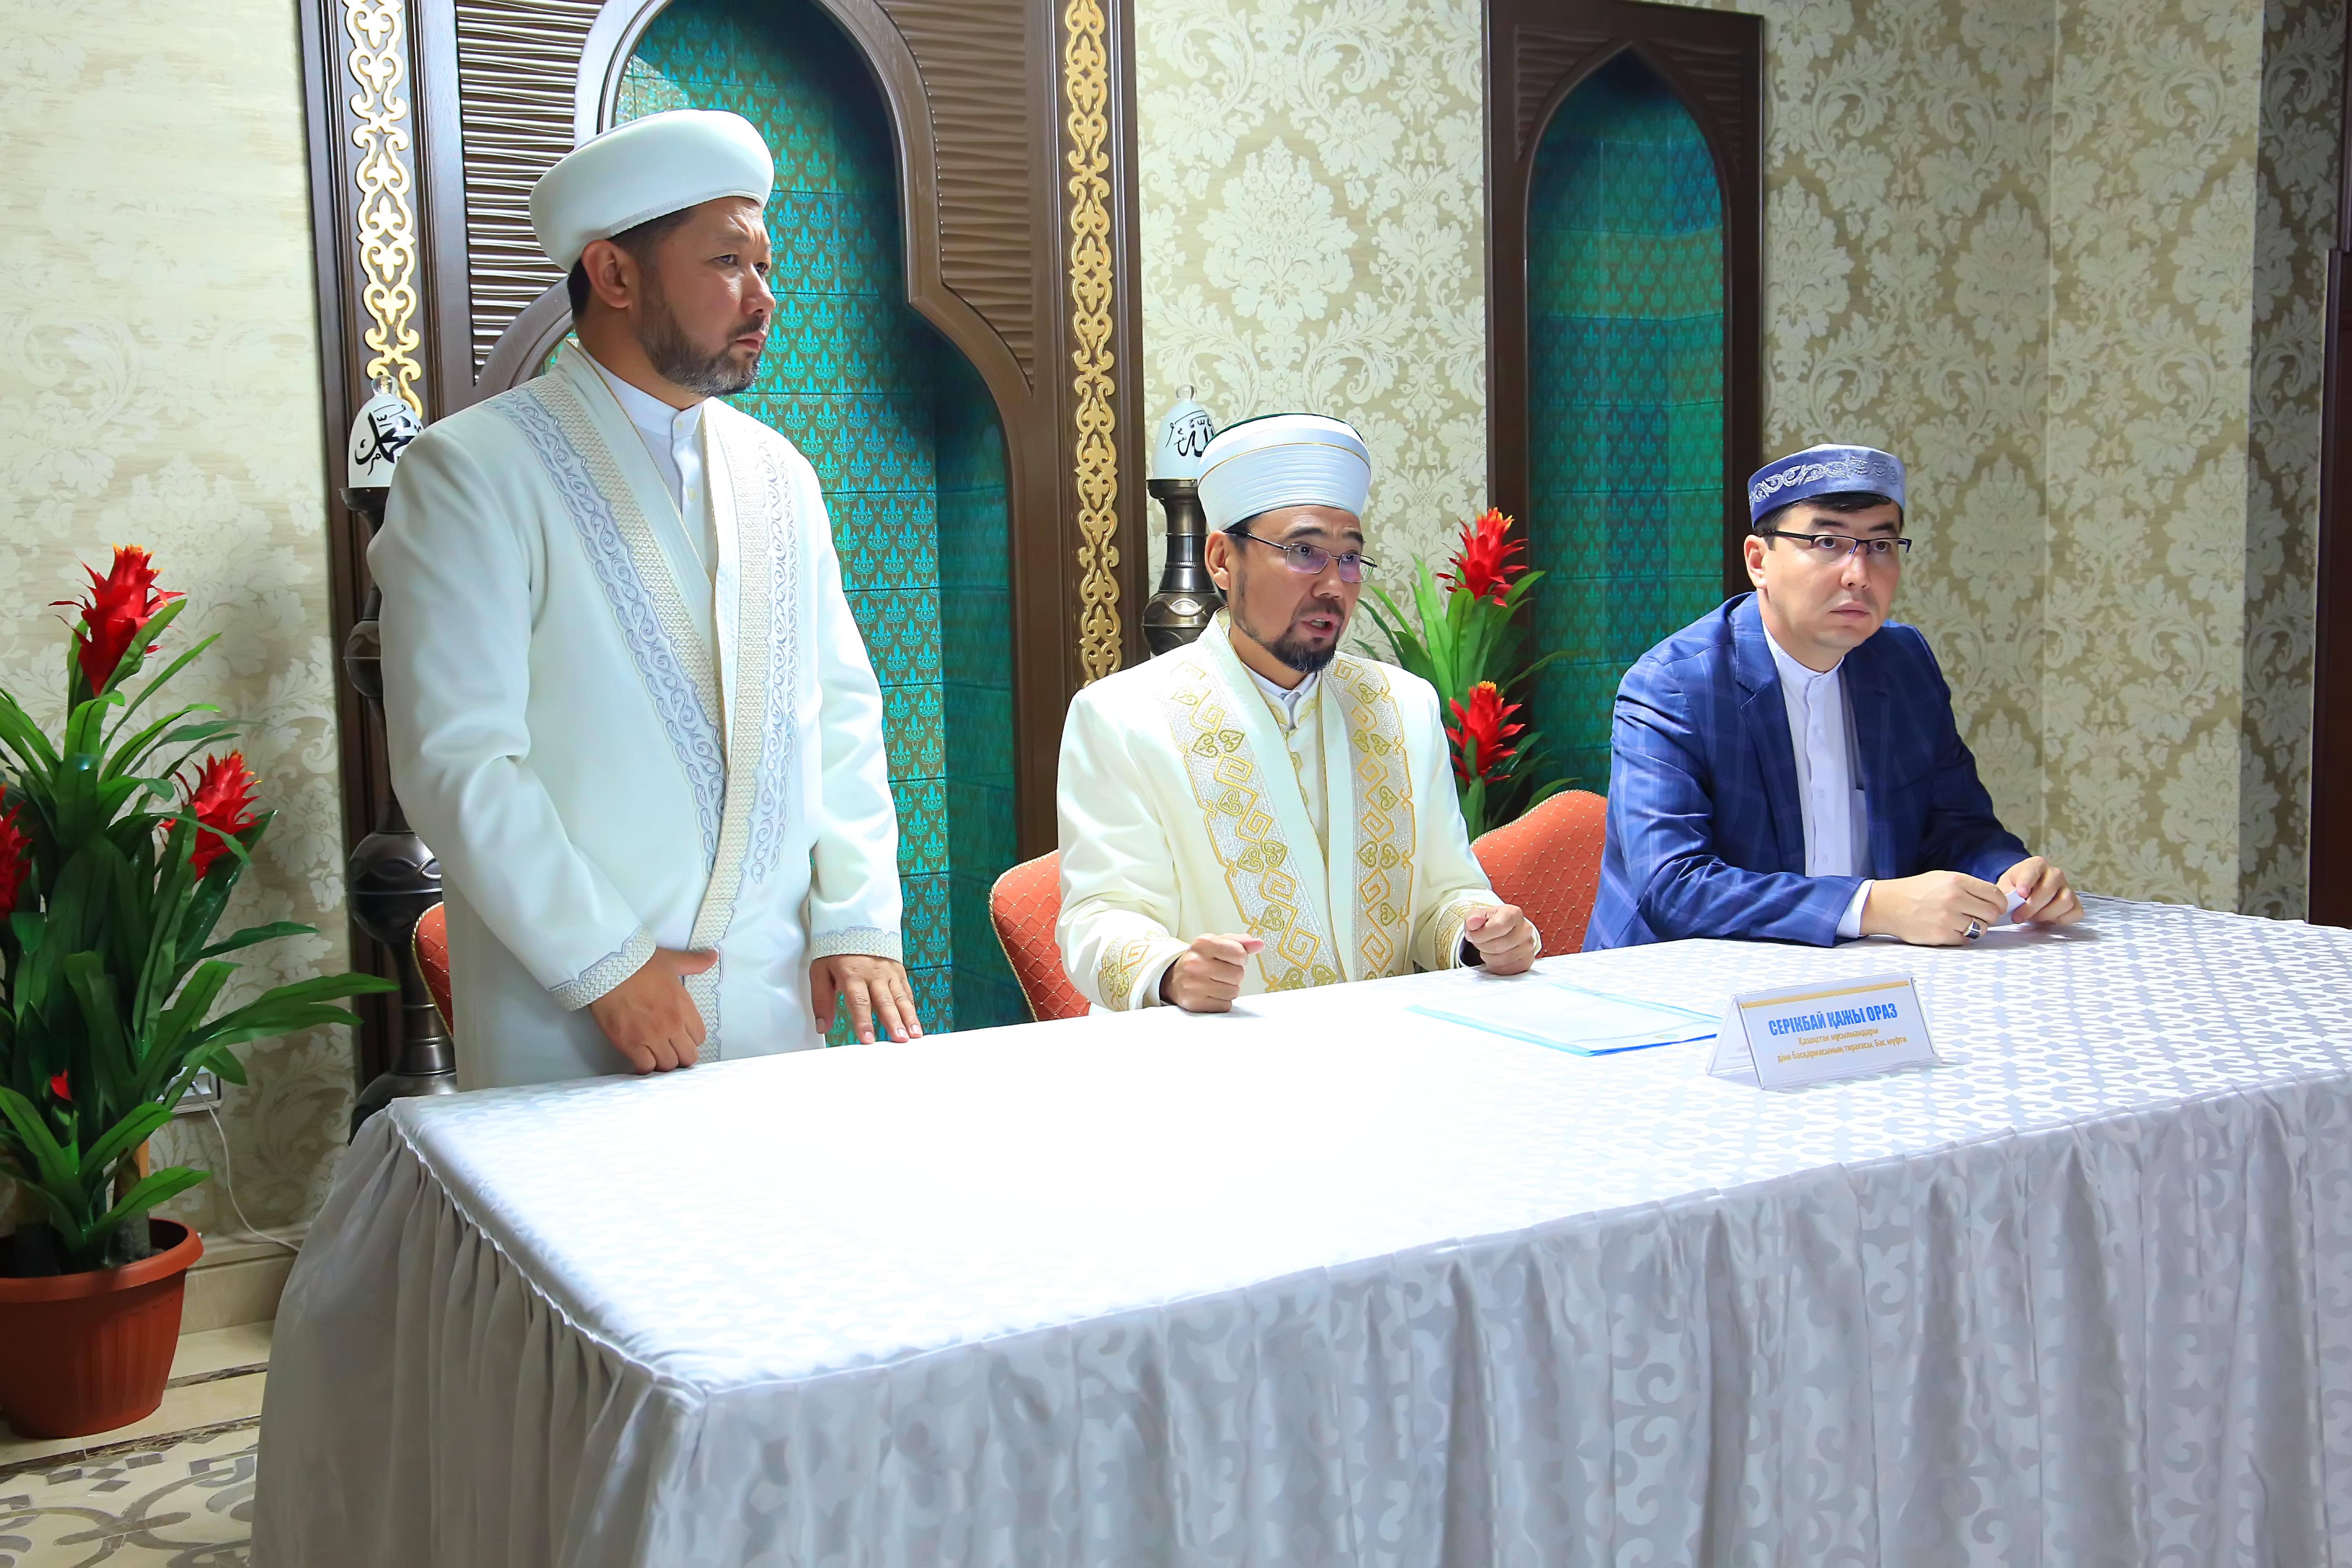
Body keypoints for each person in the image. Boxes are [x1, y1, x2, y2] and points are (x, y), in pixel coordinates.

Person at [373, 109, 918, 1088]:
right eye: (728, 263)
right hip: (575, 1016)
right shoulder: (472, 470)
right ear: (615, 275)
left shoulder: (780, 473)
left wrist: (856, 918)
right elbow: (458, 757)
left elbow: (838, 711)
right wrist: (607, 964)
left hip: (778, 996)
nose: (763, 296)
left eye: (764, 264)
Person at [1055, 414, 1539, 1012]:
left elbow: (1445, 895)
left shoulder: (1402, 708)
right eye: (1304, 552)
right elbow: (1100, 916)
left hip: (1387, 1044)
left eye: (1350, 558)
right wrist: (1172, 972)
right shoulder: (1123, 717)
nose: (1334, 586)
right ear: (1222, 560)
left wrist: (1481, 934)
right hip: (1213, 1053)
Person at [1585, 443, 2081, 950]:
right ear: (1758, 561)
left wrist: (2012, 876)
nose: (1859, 575)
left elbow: (1958, 829)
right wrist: (1873, 906)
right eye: (1827, 542)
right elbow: (1673, 888)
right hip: (1684, 979)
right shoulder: (1675, 685)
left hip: (1869, 972)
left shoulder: (1904, 663)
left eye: (1881, 546)